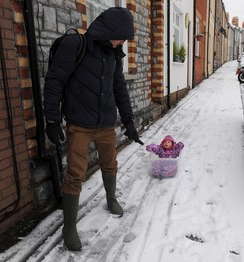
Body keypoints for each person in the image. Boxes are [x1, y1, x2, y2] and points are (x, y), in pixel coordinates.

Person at [43, 7, 142, 251]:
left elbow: (119, 88)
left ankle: (111, 198)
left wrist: (128, 121)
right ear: (109, 30)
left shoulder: (114, 54)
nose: (122, 43)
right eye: (121, 37)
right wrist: (52, 120)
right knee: (76, 174)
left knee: (110, 164)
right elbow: (54, 81)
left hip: (106, 123)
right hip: (80, 124)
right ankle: (69, 227)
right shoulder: (75, 46)